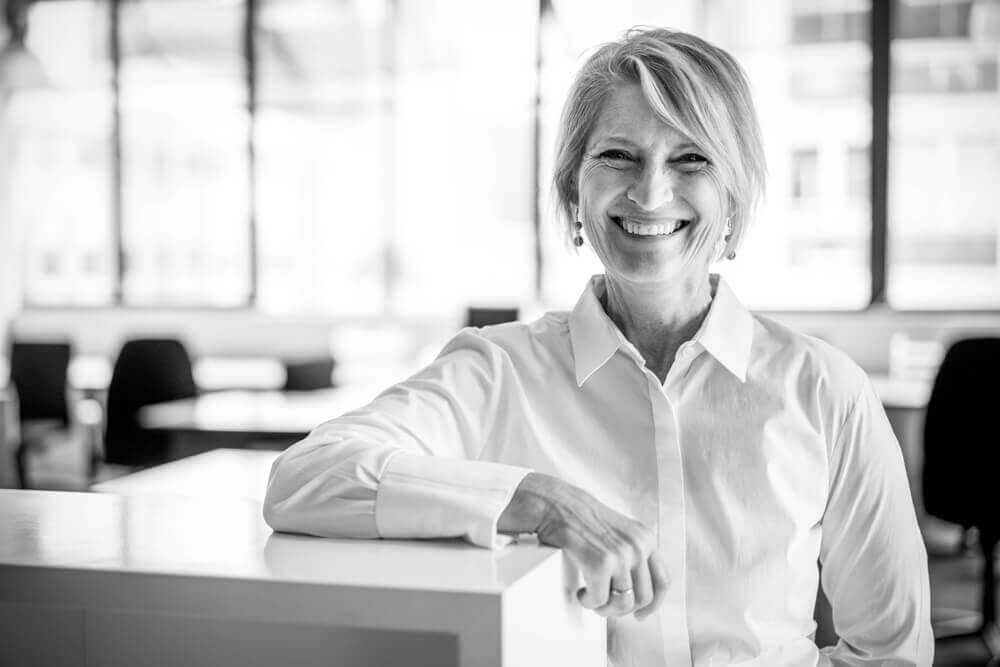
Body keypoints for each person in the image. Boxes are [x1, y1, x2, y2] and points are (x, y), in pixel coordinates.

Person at [263, 27, 932, 666]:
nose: (650, 191)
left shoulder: (824, 390)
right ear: (571, 192)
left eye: (690, 157)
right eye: (618, 155)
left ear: (734, 198)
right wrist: (542, 501)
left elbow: (890, 651)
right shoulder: (498, 370)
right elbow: (306, 477)